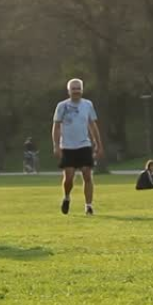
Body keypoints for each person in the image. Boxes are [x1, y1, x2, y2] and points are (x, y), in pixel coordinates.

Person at [52, 78, 104, 216]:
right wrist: (56, 146)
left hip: (84, 145)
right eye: (73, 88)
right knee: (69, 177)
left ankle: (88, 206)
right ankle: (67, 197)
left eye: (78, 88)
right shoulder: (62, 106)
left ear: (82, 90)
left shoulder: (88, 105)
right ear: (68, 91)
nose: (76, 91)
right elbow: (56, 127)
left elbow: (92, 125)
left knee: (87, 175)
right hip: (68, 147)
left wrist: (98, 144)